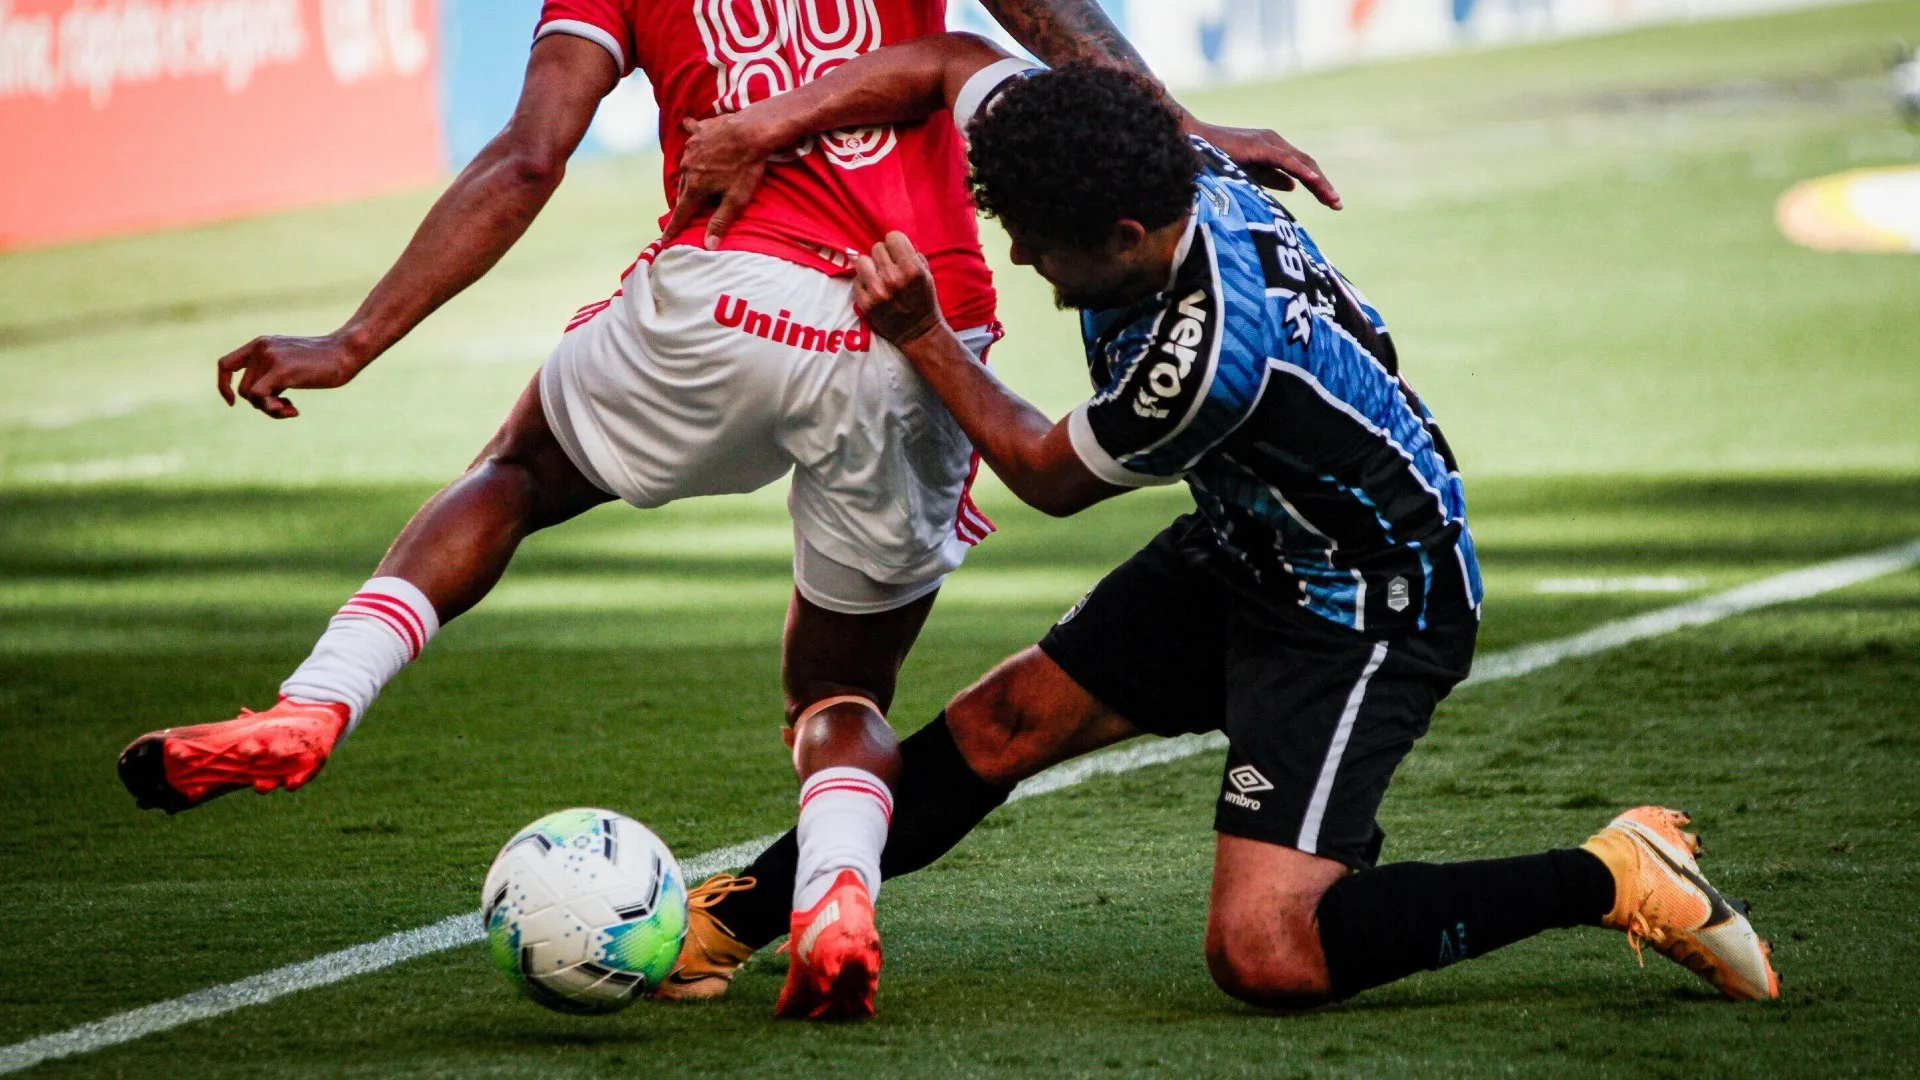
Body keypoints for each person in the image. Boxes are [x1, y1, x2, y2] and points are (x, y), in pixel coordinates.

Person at [113, 1, 1340, 1021]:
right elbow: (1010, 28)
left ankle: (318, 700)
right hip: (915, 328)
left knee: (518, 475)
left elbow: (529, 156)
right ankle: (835, 896)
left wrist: (353, 340)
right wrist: (1178, 129)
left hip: (724, 295)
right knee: (838, 696)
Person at [663, 36, 1782, 1007]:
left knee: (1266, 953)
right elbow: (956, 58)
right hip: (1255, 543)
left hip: (1366, 600)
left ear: (1126, 231)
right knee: (1001, 722)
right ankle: (726, 923)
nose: (1020, 260)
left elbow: (1047, 476)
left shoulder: (1208, 360)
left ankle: (1612, 872)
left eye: (1042, 245)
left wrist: (923, 335)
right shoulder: (1139, 155)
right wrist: (765, 126)